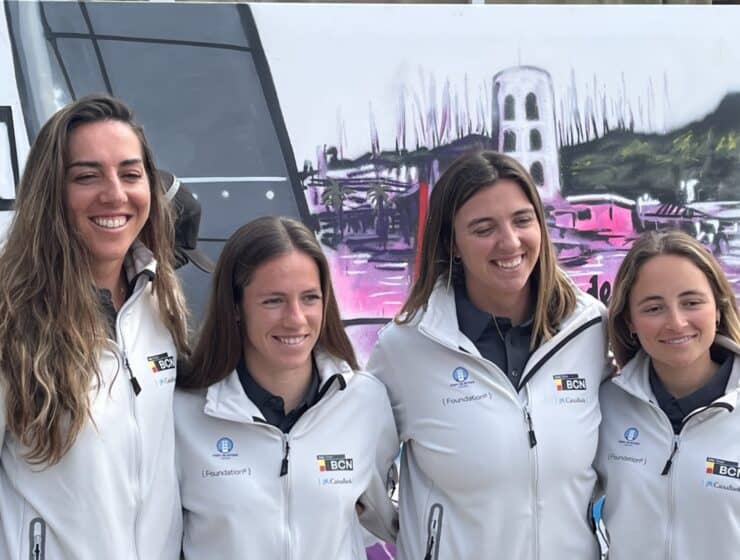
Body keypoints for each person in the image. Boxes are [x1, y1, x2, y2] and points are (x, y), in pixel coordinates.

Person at [367, 150, 611, 559]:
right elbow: (360, 476)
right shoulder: (406, 347)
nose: (510, 242)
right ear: (453, 243)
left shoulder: (590, 330)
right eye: (483, 228)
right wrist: (421, 537)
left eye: (522, 220)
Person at [0, 95, 189, 558]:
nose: (115, 194)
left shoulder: (161, 303)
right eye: (87, 176)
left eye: (130, 173)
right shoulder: (10, 315)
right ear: (51, 193)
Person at [175, 216, 398, 560]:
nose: (295, 318)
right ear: (235, 307)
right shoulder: (184, 413)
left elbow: (387, 521)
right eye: (273, 301)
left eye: (309, 298)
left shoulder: (364, 401)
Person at [596, 230, 740, 559]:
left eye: (691, 303)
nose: (675, 322)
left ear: (717, 309)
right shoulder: (606, 406)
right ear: (629, 320)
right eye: (653, 308)